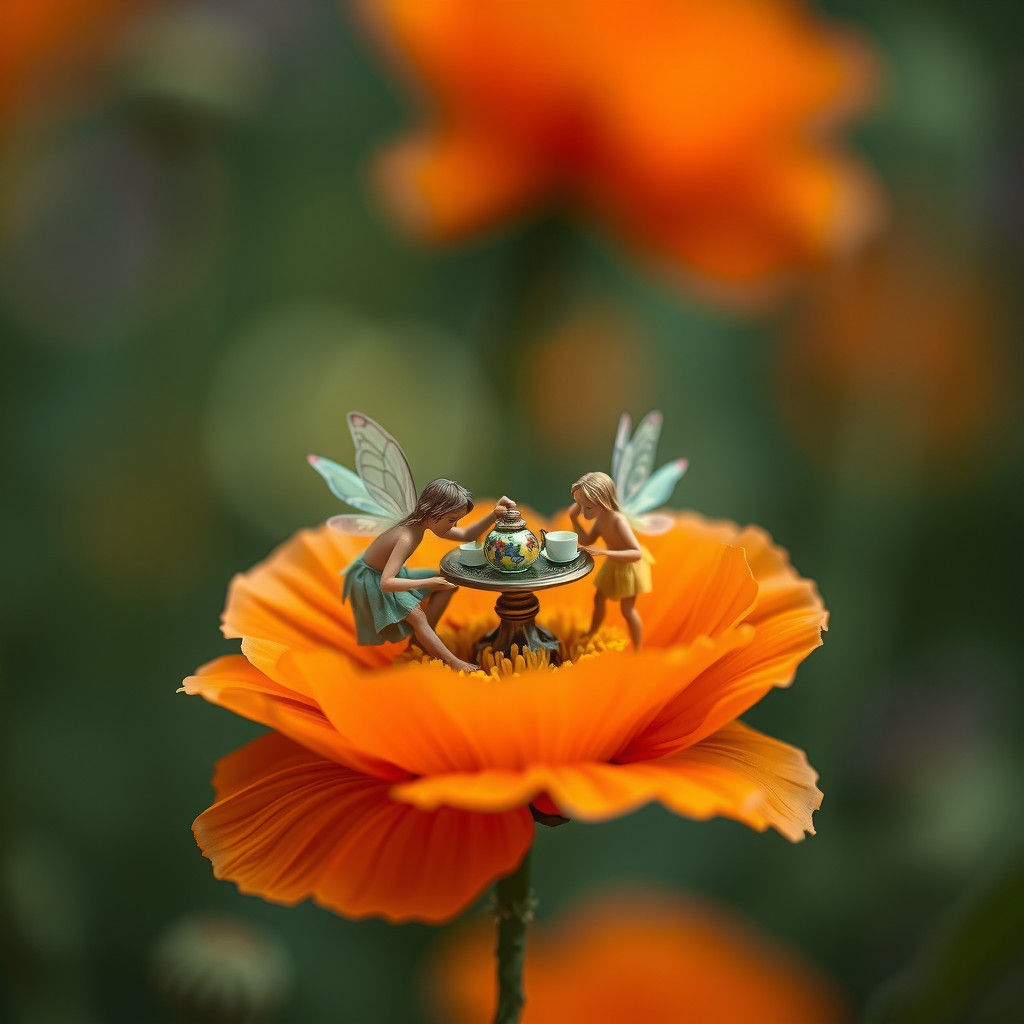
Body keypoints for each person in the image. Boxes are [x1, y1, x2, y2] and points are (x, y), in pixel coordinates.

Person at [343, 479, 514, 672]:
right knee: (418, 617)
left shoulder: (421, 524)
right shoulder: (406, 537)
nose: (454, 525)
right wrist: (429, 582)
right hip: (373, 579)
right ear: (433, 514)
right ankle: (456, 663)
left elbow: (466, 535)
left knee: (449, 581)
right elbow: (386, 583)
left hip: (389, 574)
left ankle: (422, 638)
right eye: (451, 520)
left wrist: (494, 514)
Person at [569, 471, 653, 651]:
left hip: (630, 566)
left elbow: (635, 552)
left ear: (602, 501)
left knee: (627, 610)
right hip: (614, 563)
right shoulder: (600, 521)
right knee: (599, 599)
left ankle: (638, 650)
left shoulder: (618, 521)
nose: (583, 513)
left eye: (587, 507)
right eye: (580, 506)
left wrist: (602, 552)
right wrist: (573, 520)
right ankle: (592, 631)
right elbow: (587, 541)